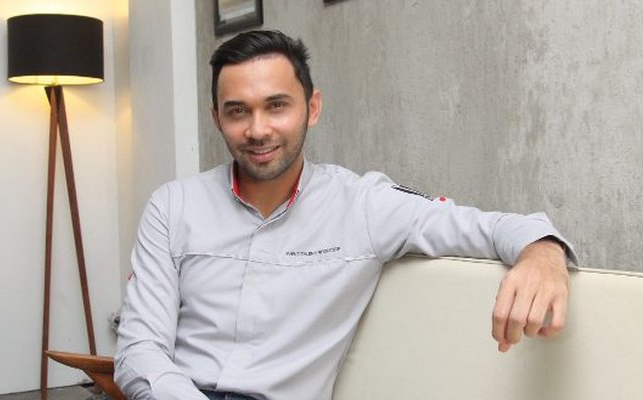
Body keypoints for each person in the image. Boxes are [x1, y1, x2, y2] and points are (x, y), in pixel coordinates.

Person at [114, 30, 576, 400]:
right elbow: (139, 349)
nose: (258, 129)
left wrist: (542, 252)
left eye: (276, 106)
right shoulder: (172, 206)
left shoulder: (364, 206)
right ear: (217, 118)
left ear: (312, 108)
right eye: (238, 112)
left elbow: (488, 226)